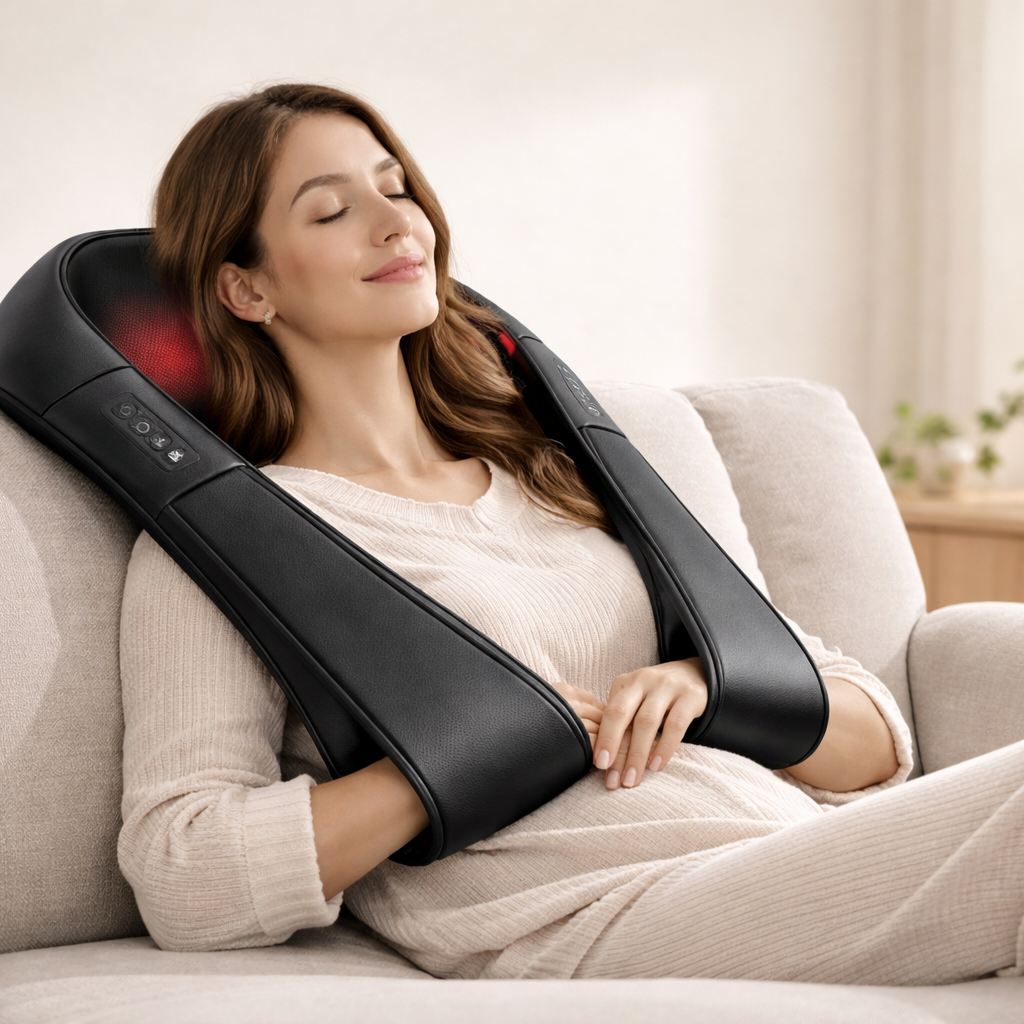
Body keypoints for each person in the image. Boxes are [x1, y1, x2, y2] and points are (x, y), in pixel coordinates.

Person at [118, 83, 1024, 982]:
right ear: (246, 286)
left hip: (790, 848)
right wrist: (458, 756)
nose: (399, 226)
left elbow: (876, 745)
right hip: (599, 912)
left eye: (397, 189)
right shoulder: (233, 541)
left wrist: (714, 685)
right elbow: (182, 876)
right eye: (331, 211)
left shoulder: (559, 472)